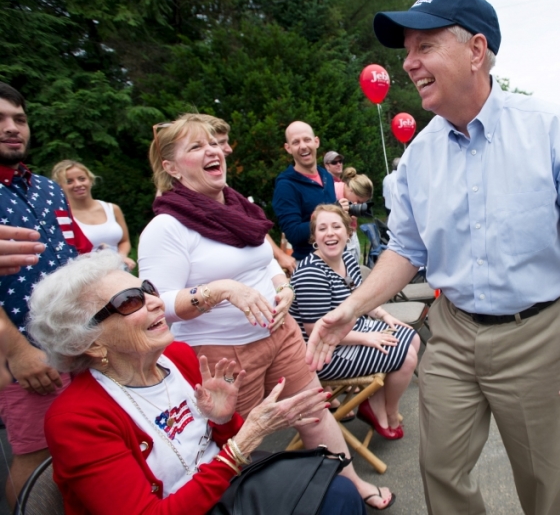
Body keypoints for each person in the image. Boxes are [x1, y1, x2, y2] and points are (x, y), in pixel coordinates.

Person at [307, 0, 560, 515]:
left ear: (476, 50)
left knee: (542, 481)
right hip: (453, 331)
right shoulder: (416, 161)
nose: (409, 63)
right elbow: (406, 251)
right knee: (439, 469)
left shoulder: (554, 132)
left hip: (536, 335)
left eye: (424, 46)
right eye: (407, 51)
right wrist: (348, 312)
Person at [139, 117, 395, 510]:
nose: (212, 150)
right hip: (221, 356)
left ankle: (350, 482)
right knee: (236, 443)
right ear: (171, 168)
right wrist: (221, 290)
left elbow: (265, 263)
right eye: (195, 147)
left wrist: (283, 287)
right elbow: (159, 305)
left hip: (281, 335)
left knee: (314, 412)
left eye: (212, 143)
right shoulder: (166, 228)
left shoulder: (240, 207)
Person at [29, 250, 365, 514]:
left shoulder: (177, 357)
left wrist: (223, 420)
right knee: (333, 501)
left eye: (147, 289)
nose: (156, 301)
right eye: (130, 301)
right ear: (90, 342)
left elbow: (218, 445)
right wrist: (242, 442)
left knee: (335, 489)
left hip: (222, 488)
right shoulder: (76, 419)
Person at [0, 82, 93, 508]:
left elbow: (70, 256)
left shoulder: (47, 188)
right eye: (0, 120)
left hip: (74, 339)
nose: (11, 128)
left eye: (19, 119)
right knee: (36, 456)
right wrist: (16, 350)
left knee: (85, 445)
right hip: (22, 351)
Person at [290, 205, 419, 439]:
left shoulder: (347, 259)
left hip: (351, 331)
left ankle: (375, 404)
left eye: (336, 226)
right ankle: (390, 412)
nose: (330, 233)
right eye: (322, 228)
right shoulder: (310, 273)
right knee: (407, 356)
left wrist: (385, 316)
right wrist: (367, 338)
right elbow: (314, 332)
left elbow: (361, 298)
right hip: (324, 353)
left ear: (348, 232)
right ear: (314, 236)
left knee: (414, 339)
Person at [180, 113, 297, 275]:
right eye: (220, 143)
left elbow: (251, 225)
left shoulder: (223, 190)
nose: (228, 149)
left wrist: (280, 277)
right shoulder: (174, 207)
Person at [51, 160, 136, 270]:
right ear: (60, 187)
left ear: (90, 180)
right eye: (69, 181)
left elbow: (124, 241)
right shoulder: (63, 218)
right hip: (86, 277)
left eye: (82, 179)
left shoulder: (112, 209)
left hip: (119, 272)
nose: (78, 184)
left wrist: (122, 256)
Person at [273, 121, 337, 260]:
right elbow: (293, 234)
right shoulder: (286, 185)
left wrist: (342, 213)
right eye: (296, 142)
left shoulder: (326, 176)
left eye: (307, 139)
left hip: (337, 258)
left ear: (316, 142)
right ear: (288, 148)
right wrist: (331, 219)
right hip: (311, 265)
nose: (303, 146)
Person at [334, 167, 373, 264]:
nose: (357, 205)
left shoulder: (349, 199)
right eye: (359, 201)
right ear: (351, 190)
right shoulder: (332, 192)